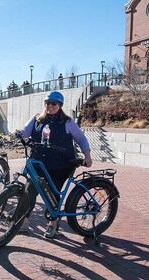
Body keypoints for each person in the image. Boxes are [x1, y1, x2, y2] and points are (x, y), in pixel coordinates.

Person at [15, 91, 93, 238]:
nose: (50, 106)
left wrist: (87, 155)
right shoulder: (36, 119)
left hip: (61, 165)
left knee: (53, 193)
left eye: (54, 104)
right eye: (47, 103)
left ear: (60, 106)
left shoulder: (68, 122)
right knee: (29, 191)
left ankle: (53, 223)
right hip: (39, 162)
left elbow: (81, 139)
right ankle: (24, 223)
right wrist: (19, 132)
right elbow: (26, 131)